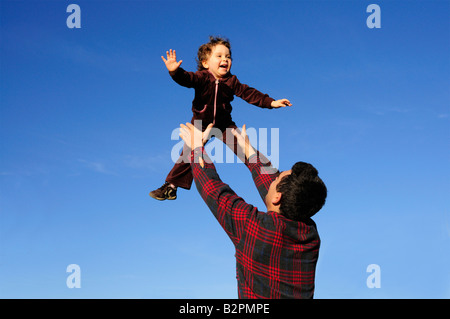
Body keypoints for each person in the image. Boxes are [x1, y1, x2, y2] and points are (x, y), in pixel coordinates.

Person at [179, 122, 327, 299]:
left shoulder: (255, 228)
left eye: (277, 177)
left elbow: (213, 190)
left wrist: (196, 149)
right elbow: (273, 191)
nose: (273, 177)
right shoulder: (310, 235)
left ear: (277, 197)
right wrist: (248, 151)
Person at [149, 36, 292, 200]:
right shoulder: (201, 77)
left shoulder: (232, 81)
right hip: (201, 124)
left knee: (246, 148)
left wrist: (271, 102)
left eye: (228, 57)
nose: (225, 59)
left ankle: (275, 178)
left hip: (224, 125)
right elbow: (187, 79)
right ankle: (171, 186)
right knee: (189, 152)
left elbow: (248, 93)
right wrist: (175, 72)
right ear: (205, 63)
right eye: (219, 56)